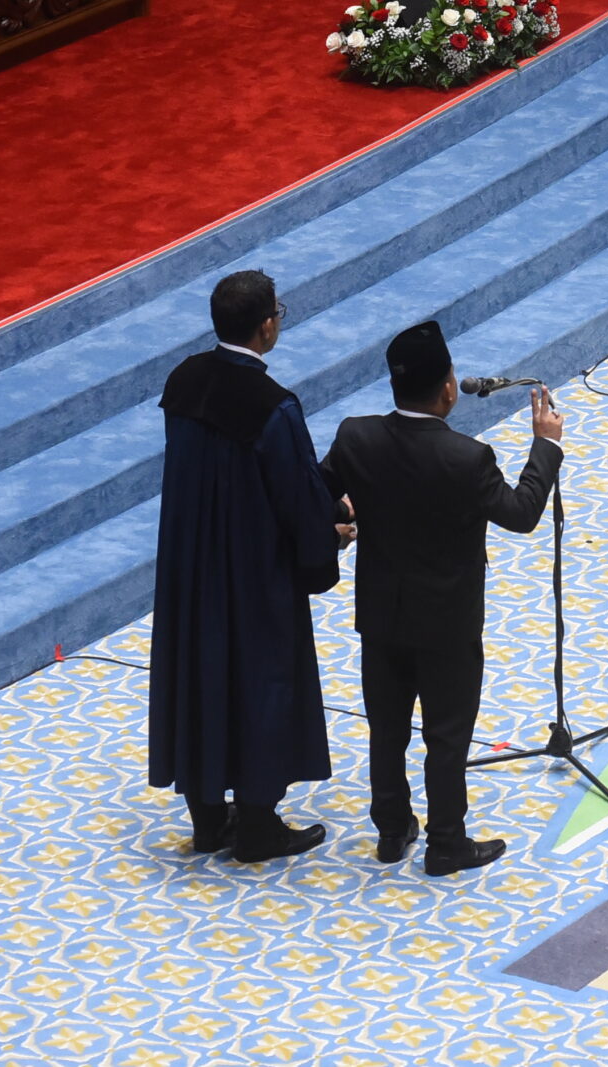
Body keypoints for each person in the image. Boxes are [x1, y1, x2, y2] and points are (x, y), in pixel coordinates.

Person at [322, 320, 562, 876]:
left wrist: (344, 516)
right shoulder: (466, 458)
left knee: (387, 727)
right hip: (448, 624)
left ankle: (391, 829)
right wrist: (545, 445)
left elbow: (320, 487)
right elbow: (522, 513)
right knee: (446, 737)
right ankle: (446, 842)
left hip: (381, 613)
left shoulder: (355, 436)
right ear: (449, 388)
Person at [147, 270, 351, 864]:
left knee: (200, 677)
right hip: (251, 570)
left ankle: (209, 819)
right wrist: (330, 532)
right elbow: (292, 495)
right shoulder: (274, 407)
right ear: (267, 325)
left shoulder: (183, 381)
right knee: (260, 679)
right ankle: (259, 825)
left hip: (191, 565)